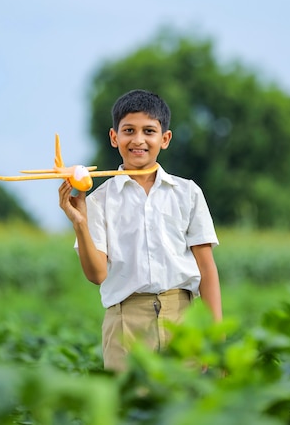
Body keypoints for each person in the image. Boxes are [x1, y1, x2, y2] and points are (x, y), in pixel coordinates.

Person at [58, 89, 222, 372]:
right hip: (125, 323)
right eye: (128, 131)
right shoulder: (99, 199)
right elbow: (97, 274)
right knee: (130, 412)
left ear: (165, 139)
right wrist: (80, 223)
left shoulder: (187, 193)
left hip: (182, 317)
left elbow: (206, 269)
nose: (138, 140)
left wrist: (217, 341)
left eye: (149, 131)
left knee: (184, 411)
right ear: (114, 137)